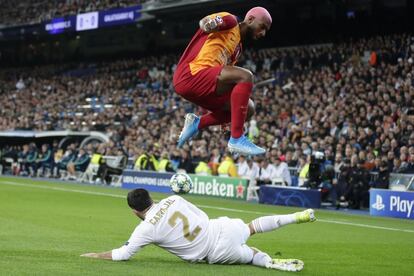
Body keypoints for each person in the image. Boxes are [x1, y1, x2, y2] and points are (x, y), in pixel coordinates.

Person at [81, 188, 315, 272]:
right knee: (252, 226)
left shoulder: (145, 229)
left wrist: (95, 255)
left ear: (135, 212)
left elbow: (122, 255)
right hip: (220, 227)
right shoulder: (173, 199)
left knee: (251, 254)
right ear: (151, 198)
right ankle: (295, 216)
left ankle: (266, 261)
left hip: (215, 252)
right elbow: (200, 214)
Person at [173, 7, 272, 156]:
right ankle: (237, 138)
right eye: (262, 27)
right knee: (246, 76)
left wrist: (225, 120)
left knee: (249, 109)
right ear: (250, 20)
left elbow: (223, 81)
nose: (263, 33)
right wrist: (208, 24)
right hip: (190, 74)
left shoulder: (237, 49)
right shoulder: (230, 21)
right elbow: (205, 23)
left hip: (200, 84)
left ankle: (197, 123)